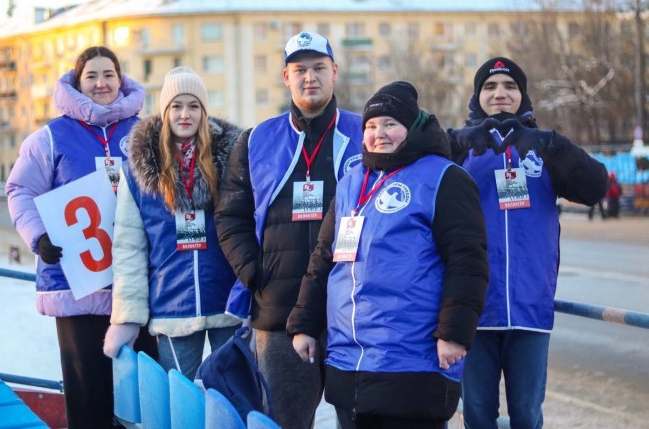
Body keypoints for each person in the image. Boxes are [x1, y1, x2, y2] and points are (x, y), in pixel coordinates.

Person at [287, 81, 490, 429]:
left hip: (412, 362)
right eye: (370, 126)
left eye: (390, 124)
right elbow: (324, 258)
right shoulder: (352, 182)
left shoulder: (444, 178)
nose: (379, 133)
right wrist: (304, 324)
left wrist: (454, 333)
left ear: (410, 129)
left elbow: (467, 262)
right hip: (349, 362)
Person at [447, 56, 610, 429]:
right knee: (476, 415)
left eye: (509, 86)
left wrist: (553, 145)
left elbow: (596, 188)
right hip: (472, 310)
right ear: (477, 96)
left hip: (530, 307)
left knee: (526, 414)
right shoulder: (459, 148)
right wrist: (450, 140)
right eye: (490, 87)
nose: (500, 94)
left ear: (522, 95)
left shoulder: (544, 147)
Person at [214, 31, 363, 429]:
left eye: (318, 68)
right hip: (279, 309)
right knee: (285, 421)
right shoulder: (256, 139)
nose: (309, 77)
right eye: (299, 69)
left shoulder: (368, 133)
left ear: (334, 72)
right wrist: (254, 274)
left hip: (353, 307)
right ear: (285, 77)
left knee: (362, 418)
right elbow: (230, 216)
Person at [5, 46, 157, 428]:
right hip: (77, 286)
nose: (101, 83)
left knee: (145, 399)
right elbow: (20, 189)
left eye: (109, 74)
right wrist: (38, 235)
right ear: (77, 81)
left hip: (137, 288)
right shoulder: (51, 137)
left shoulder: (146, 131)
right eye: (91, 76)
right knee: (88, 397)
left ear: (121, 80)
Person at [102, 67, 242, 380]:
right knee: (180, 402)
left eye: (193, 106)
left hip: (228, 302)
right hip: (171, 306)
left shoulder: (233, 161)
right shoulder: (138, 173)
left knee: (232, 399)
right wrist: (126, 317)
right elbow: (128, 248)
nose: (184, 114)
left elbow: (252, 230)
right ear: (165, 111)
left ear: (204, 111)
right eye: (176, 106)